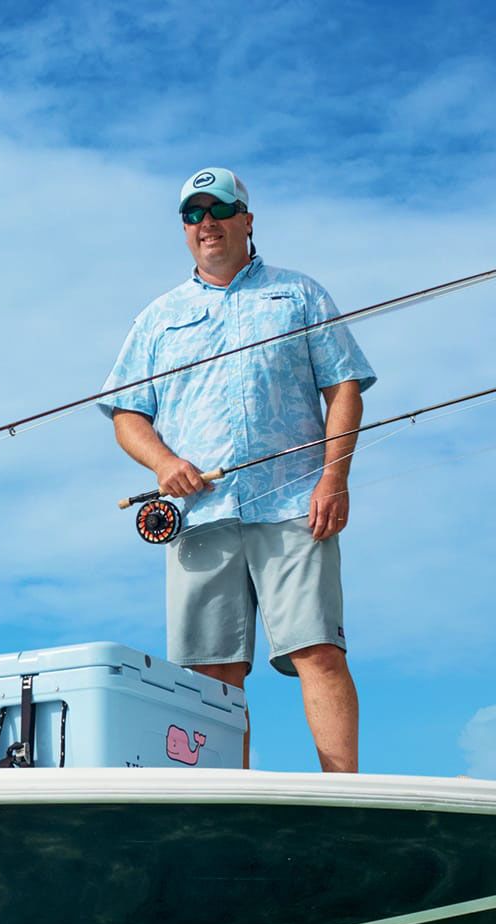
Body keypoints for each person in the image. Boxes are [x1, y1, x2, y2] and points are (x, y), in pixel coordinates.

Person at [101, 167, 376, 773]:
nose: (207, 224)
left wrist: (335, 478)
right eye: (193, 215)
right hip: (200, 517)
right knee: (210, 673)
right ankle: (227, 801)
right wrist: (165, 462)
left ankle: (343, 793)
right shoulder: (156, 317)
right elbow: (126, 414)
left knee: (318, 649)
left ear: (246, 219)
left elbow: (346, 387)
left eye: (219, 210)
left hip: (295, 504)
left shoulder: (299, 294)